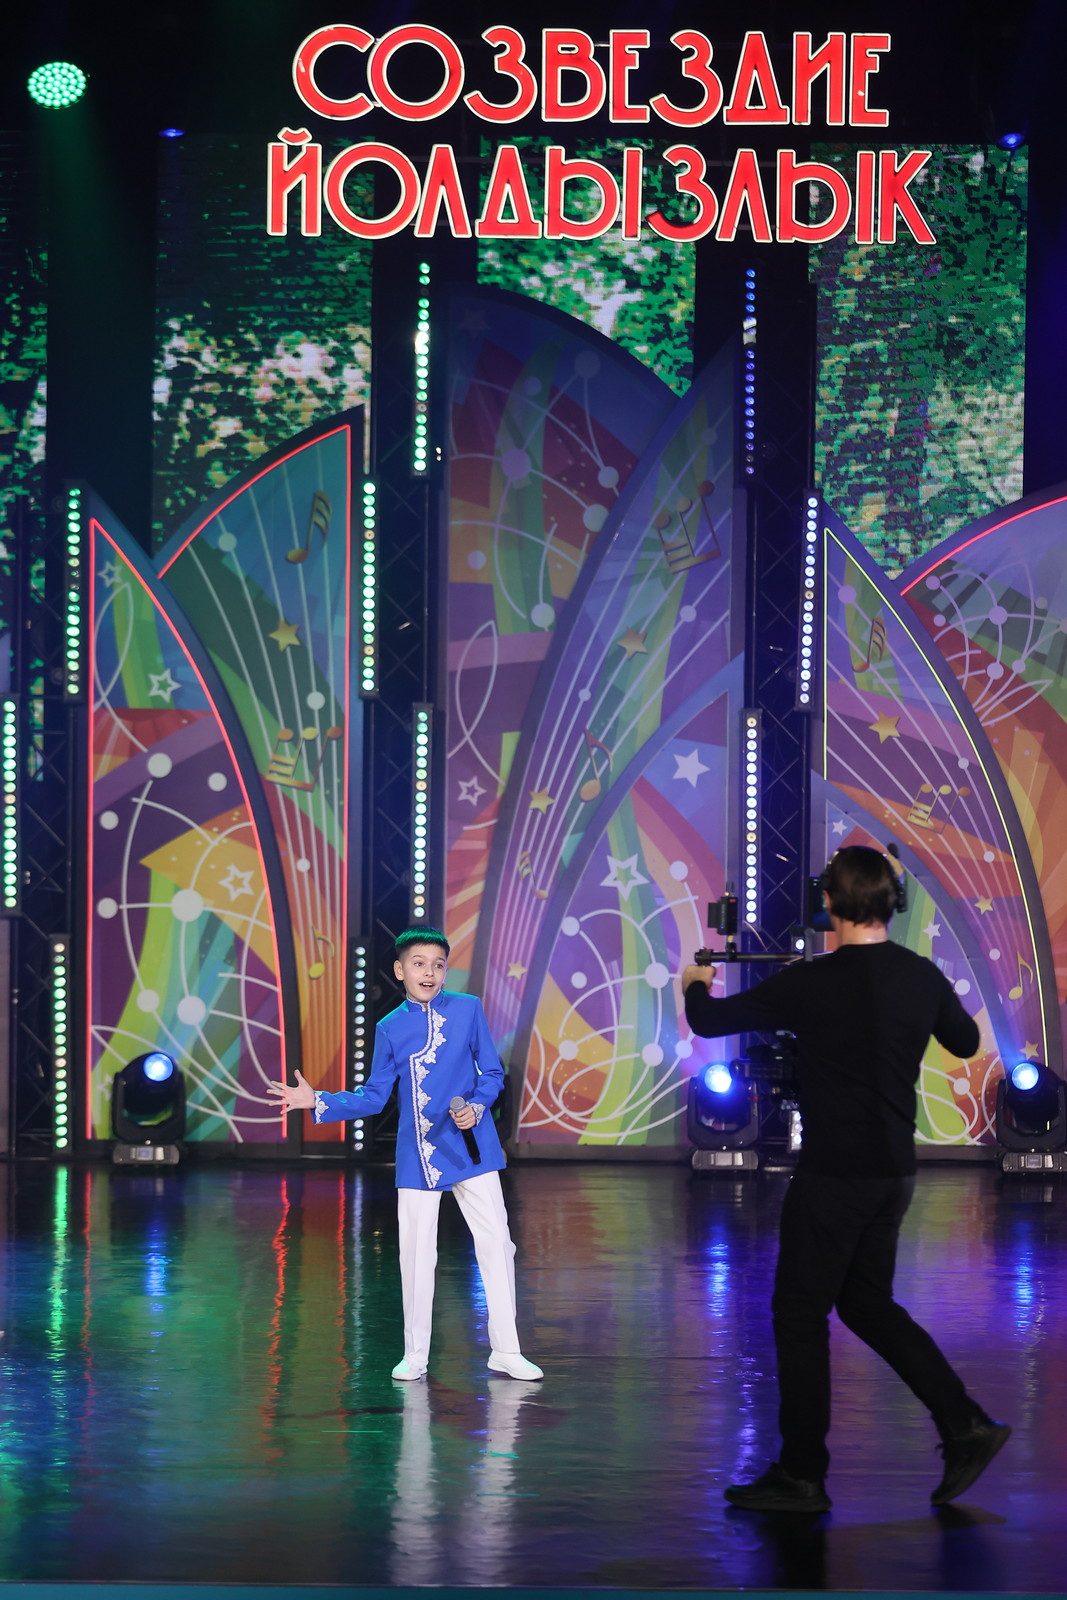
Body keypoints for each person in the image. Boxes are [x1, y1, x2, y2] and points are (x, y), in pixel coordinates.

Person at [681, 845, 1009, 1513]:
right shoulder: (918, 974)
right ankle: (965, 1425)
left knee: (798, 1314)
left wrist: (692, 982)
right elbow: (965, 1042)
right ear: (892, 903)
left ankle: (802, 1475)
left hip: (835, 1174)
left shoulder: (811, 982)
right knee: (865, 1305)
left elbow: (709, 1020)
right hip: (893, 1171)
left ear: (827, 903)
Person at [270, 926, 543, 1384]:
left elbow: (492, 1073)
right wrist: (318, 1100)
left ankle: (506, 1351)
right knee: (417, 1256)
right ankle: (415, 1355)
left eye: (438, 964)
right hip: (420, 1152)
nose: (429, 972)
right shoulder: (390, 1027)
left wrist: (477, 1107)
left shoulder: (468, 1009)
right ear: (400, 970)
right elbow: (375, 1096)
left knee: (497, 1244)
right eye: (419, 964)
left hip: (472, 1145)